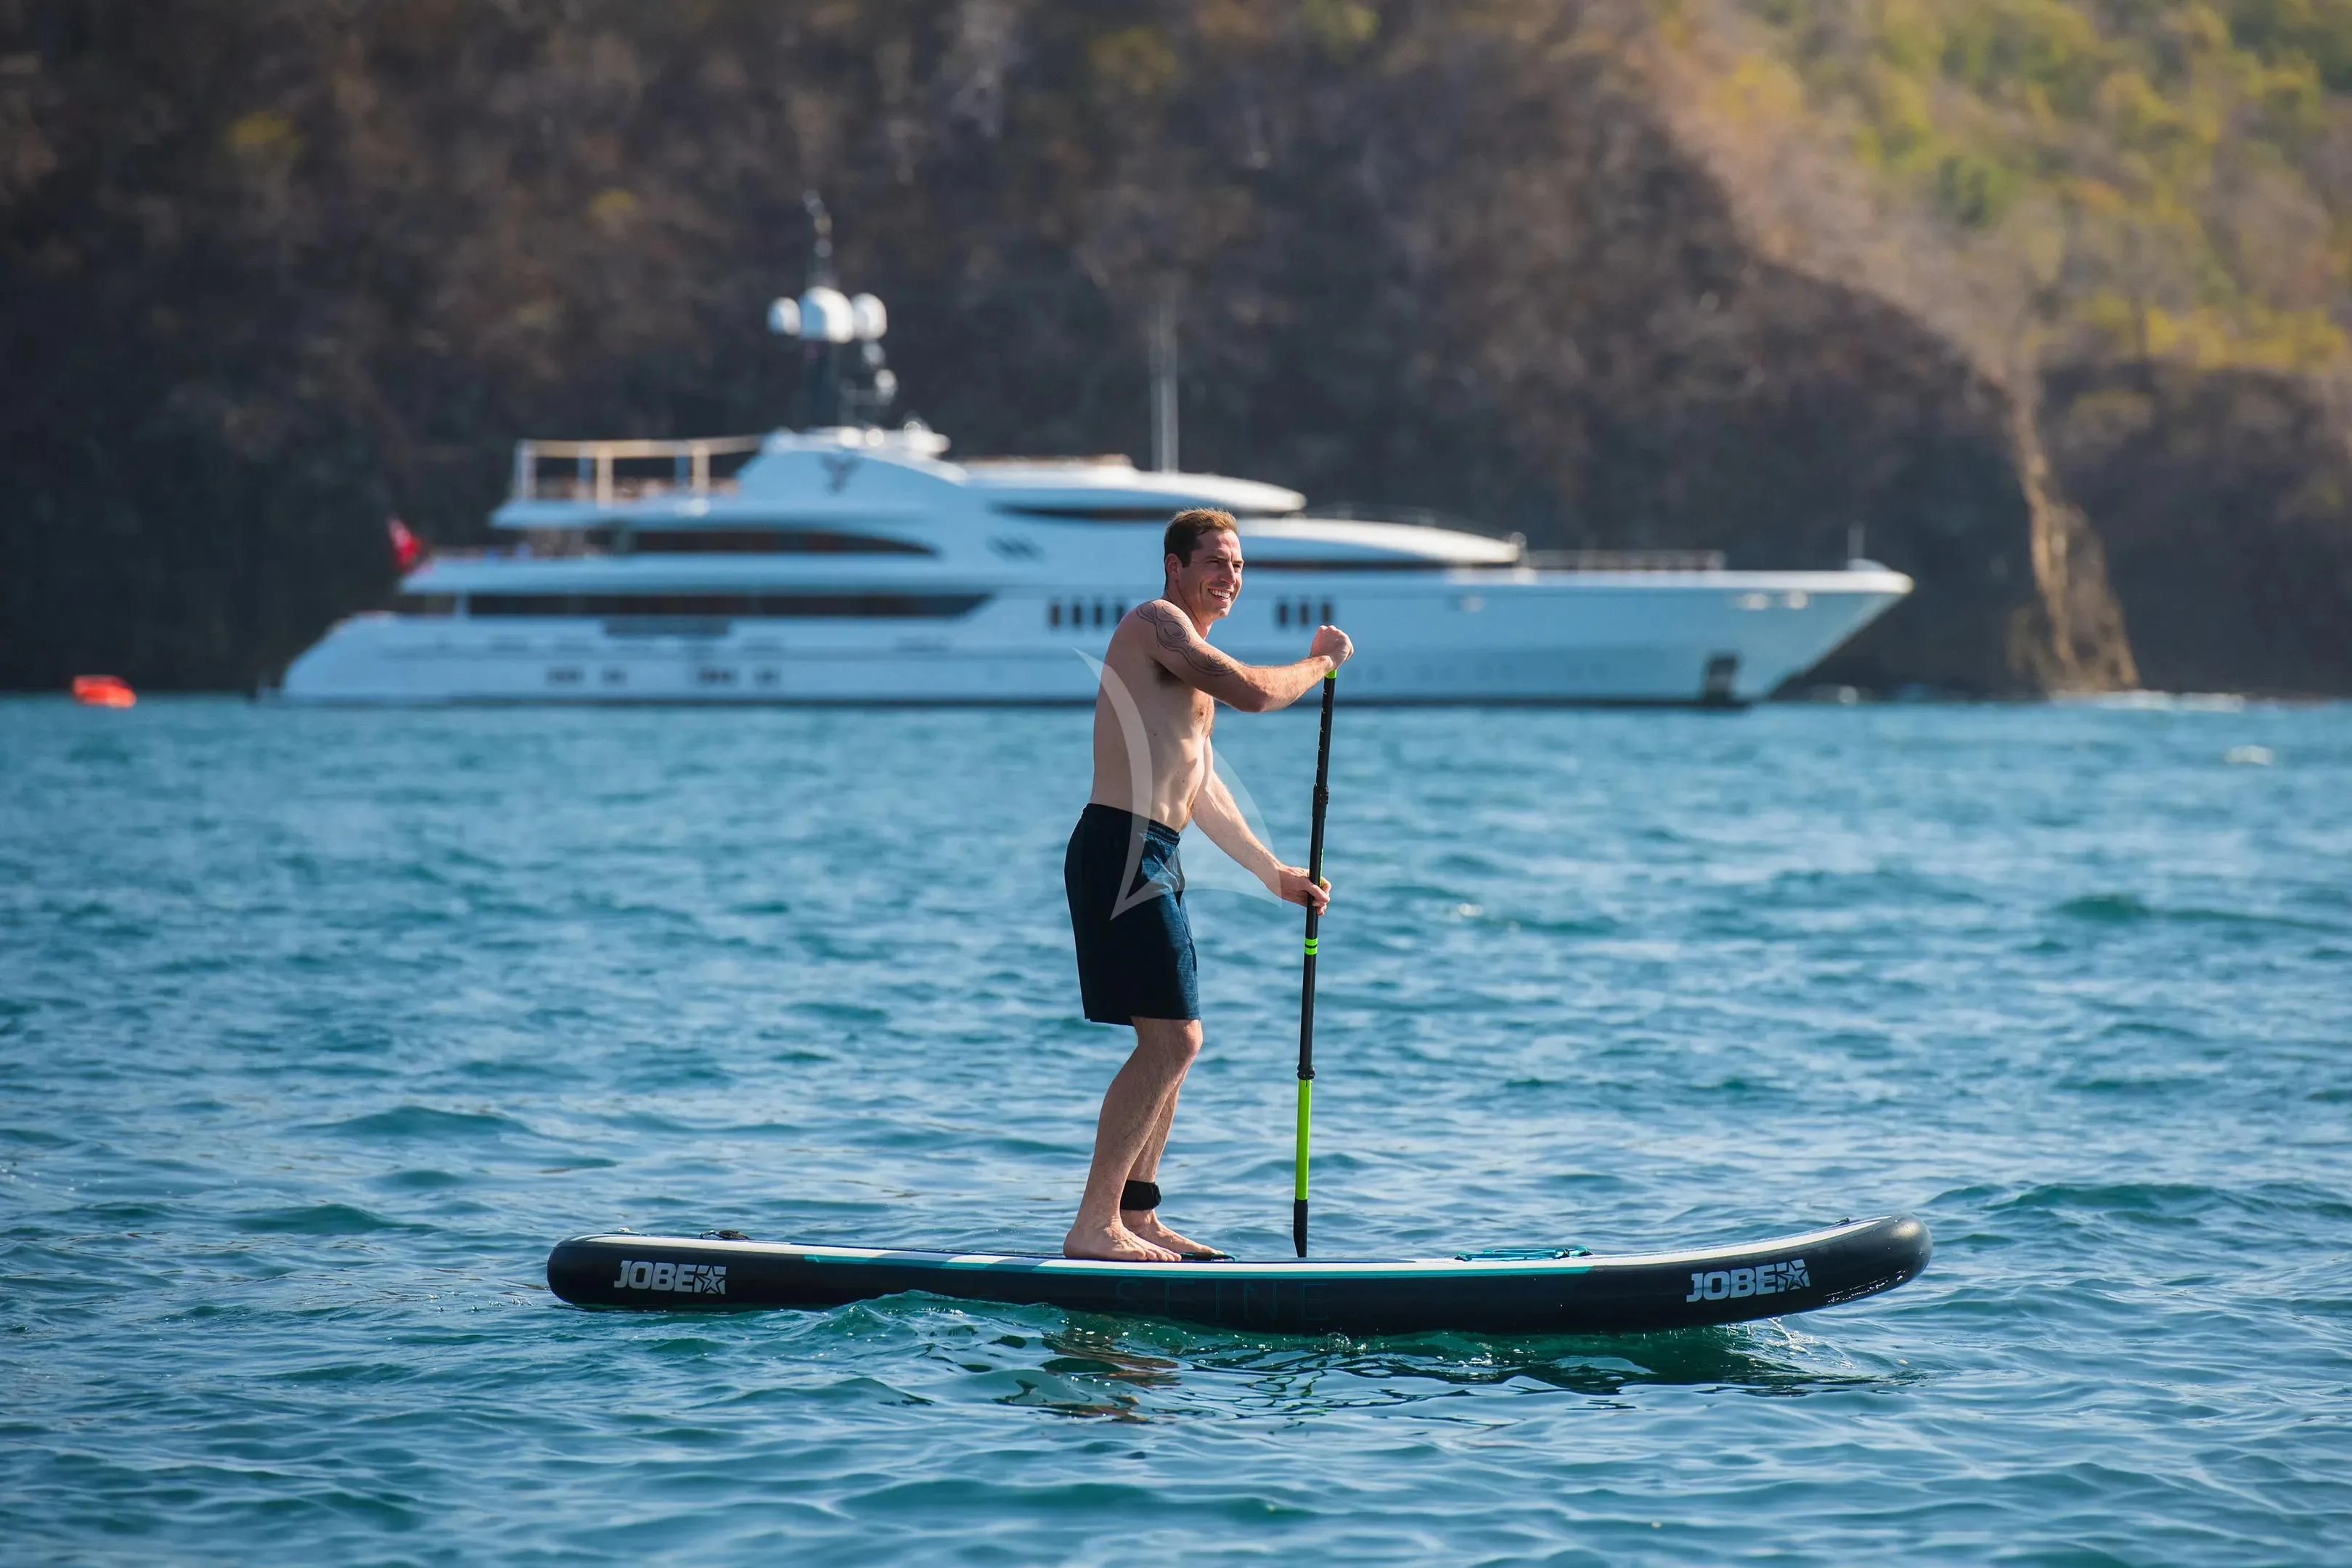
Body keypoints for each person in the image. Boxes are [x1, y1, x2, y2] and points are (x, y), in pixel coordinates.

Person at [1062, 507, 1353, 1262]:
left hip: (1157, 852)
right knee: (1173, 1039)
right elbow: (1255, 693)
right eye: (1216, 563)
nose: (1230, 578)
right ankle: (1093, 1225)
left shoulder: (1185, 666)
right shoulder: (1157, 626)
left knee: (1177, 1043)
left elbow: (1202, 789)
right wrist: (1318, 665)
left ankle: (1137, 1213)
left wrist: (1275, 875)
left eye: (1239, 567)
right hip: (1120, 849)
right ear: (1175, 567)